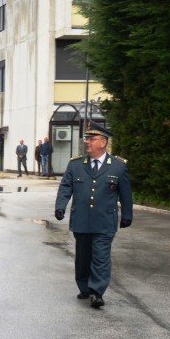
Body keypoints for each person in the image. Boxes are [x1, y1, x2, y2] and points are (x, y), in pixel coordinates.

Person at [54, 122, 133, 308]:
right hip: (81, 219)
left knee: (101, 256)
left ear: (103, 142)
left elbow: (126, 193)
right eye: (86, 138)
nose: (87, 142)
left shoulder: (118, 167)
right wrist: (61, 206)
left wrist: (127, 214)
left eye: (91, 139)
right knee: (83, 256)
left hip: (105, 221)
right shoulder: (75, 165)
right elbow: (66, 186)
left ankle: (97, 291)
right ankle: (84, 286)